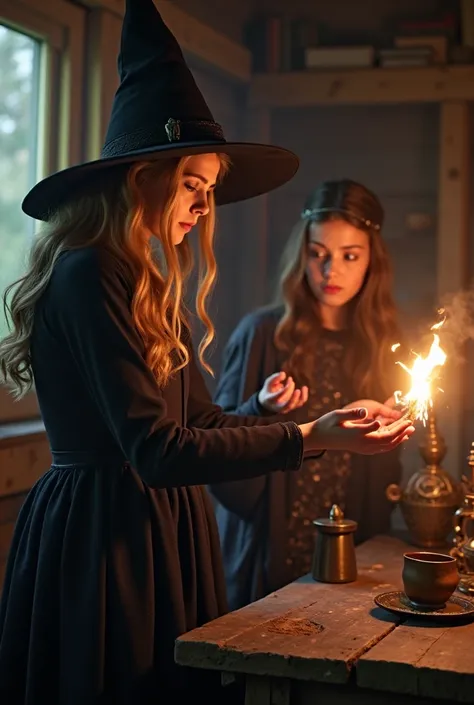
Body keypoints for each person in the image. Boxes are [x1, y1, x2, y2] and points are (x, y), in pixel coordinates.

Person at [0, 2, 414, 702]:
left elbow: (204, 421)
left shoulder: (143, 281)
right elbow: (157, 449)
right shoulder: (91, 271)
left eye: (210, 192)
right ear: (144, 177)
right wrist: (307, 433)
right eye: (194, 183)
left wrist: (324, 430)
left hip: (159, 528)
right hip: (107, 540)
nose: (202, 207)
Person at [210, 179, 408, 611]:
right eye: (318, 254)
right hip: (268, 557)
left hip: (355, 563)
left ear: (373, 260)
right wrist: (259, 409)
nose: (330, 271)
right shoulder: (262, 335)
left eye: (348, 256)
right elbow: (216, 448)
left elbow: (385, 473)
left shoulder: (382, 345)